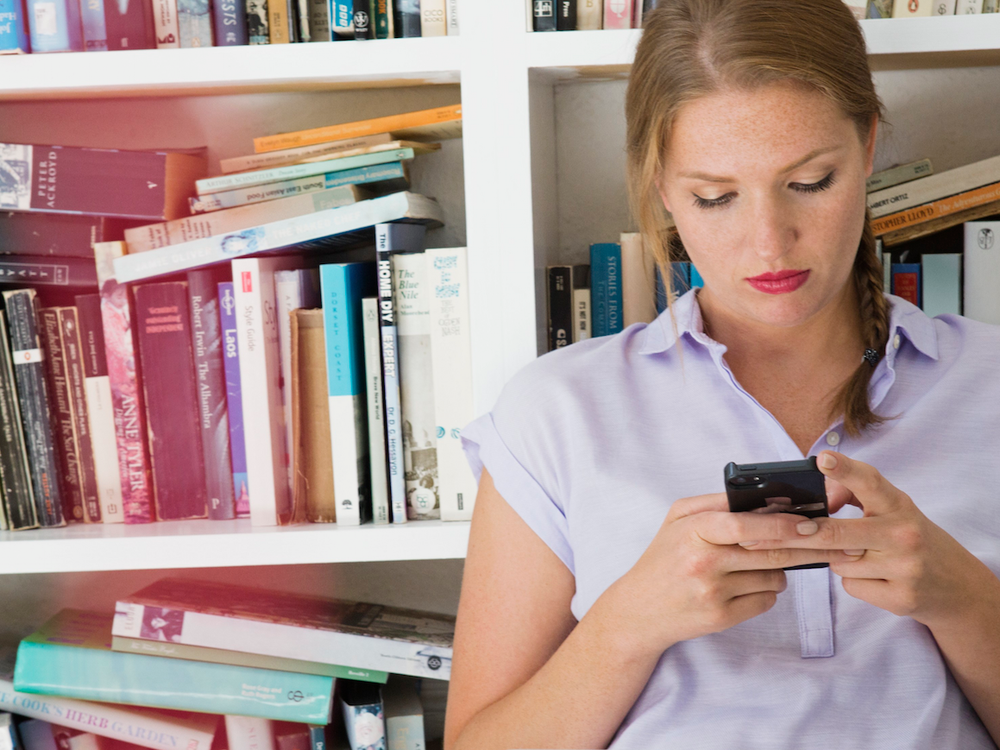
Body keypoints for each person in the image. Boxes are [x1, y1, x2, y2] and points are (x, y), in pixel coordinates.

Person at [443, 1, 1000, 748]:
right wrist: (624, 627)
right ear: (664, 189)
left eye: (810, 182)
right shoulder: (556, 412)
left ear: (868, 147)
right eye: (716, 196)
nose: (769, 241)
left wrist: (965, 601)